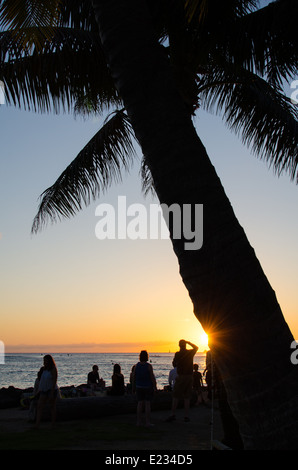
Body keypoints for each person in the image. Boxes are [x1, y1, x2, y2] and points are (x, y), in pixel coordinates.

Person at [166, 339, 198, 422]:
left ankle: (173, 414)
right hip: (189, 376)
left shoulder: (178, 354)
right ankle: (186, 416)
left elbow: (174, 364)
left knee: (176, 396)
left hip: (181, 376)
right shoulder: (190, 353)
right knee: (187, 397)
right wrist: (189, 342)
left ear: (179, 345)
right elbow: (196, 347)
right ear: (185, 345)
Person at [133, 350, 157, 427]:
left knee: (139, 404)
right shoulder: (149, 366)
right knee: (147, 404)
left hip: (139, 386)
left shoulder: (137, 366)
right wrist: (155, 386)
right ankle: (147, 422)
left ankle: (138, 422)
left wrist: (133, 387)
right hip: (147, 387)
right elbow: (152, 377)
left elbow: (134, 377)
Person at [35, 355, 59, 428]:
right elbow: (41, 380)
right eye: (44, 361)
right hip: (43, 390)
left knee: (52, 407)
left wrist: (52, 392)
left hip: (51, 390)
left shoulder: (53, 369)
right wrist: (39, 390)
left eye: (45, 360)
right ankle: (37, 424)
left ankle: (53, 424)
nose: (44, 362)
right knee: (39, 406)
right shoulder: (43, 369)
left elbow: (54, 381)